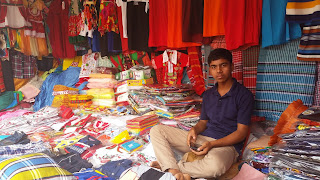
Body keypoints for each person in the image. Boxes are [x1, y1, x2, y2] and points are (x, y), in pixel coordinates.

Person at [150, 48, 254, 180]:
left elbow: (241, 133)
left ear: (232, 66)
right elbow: (203, 122)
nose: (219, 71)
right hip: (203, 140)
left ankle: (171, 168)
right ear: (210, 70)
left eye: (223, 65)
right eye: (214, 67)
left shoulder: (244, 95)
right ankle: (174, 170)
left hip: (225, 145)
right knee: (157, 130)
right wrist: (194, 129)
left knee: (216, 166)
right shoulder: (209, 95)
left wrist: (212, 145)